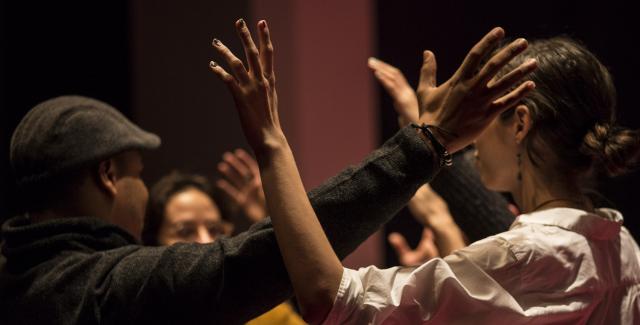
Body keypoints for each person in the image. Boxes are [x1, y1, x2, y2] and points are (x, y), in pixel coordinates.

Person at [0, 19, 533, 324]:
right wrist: (425, 144)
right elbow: (251, 262)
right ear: (110, 175)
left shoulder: (26, 277)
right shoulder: (92, 288)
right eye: (140, 171)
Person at [227, 27, 640, 323]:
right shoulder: (623, 246)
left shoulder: (523, 257)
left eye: (485, 113)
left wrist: (271, 143)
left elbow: (332, 300)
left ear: (519, 124)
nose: (475, 134)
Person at [143, 170, 304, 324]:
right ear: (153, 242)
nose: (207, 241)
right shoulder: (136, 314)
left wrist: (274, 225)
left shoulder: (263, 314)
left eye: (215, 230)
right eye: (186, 232)